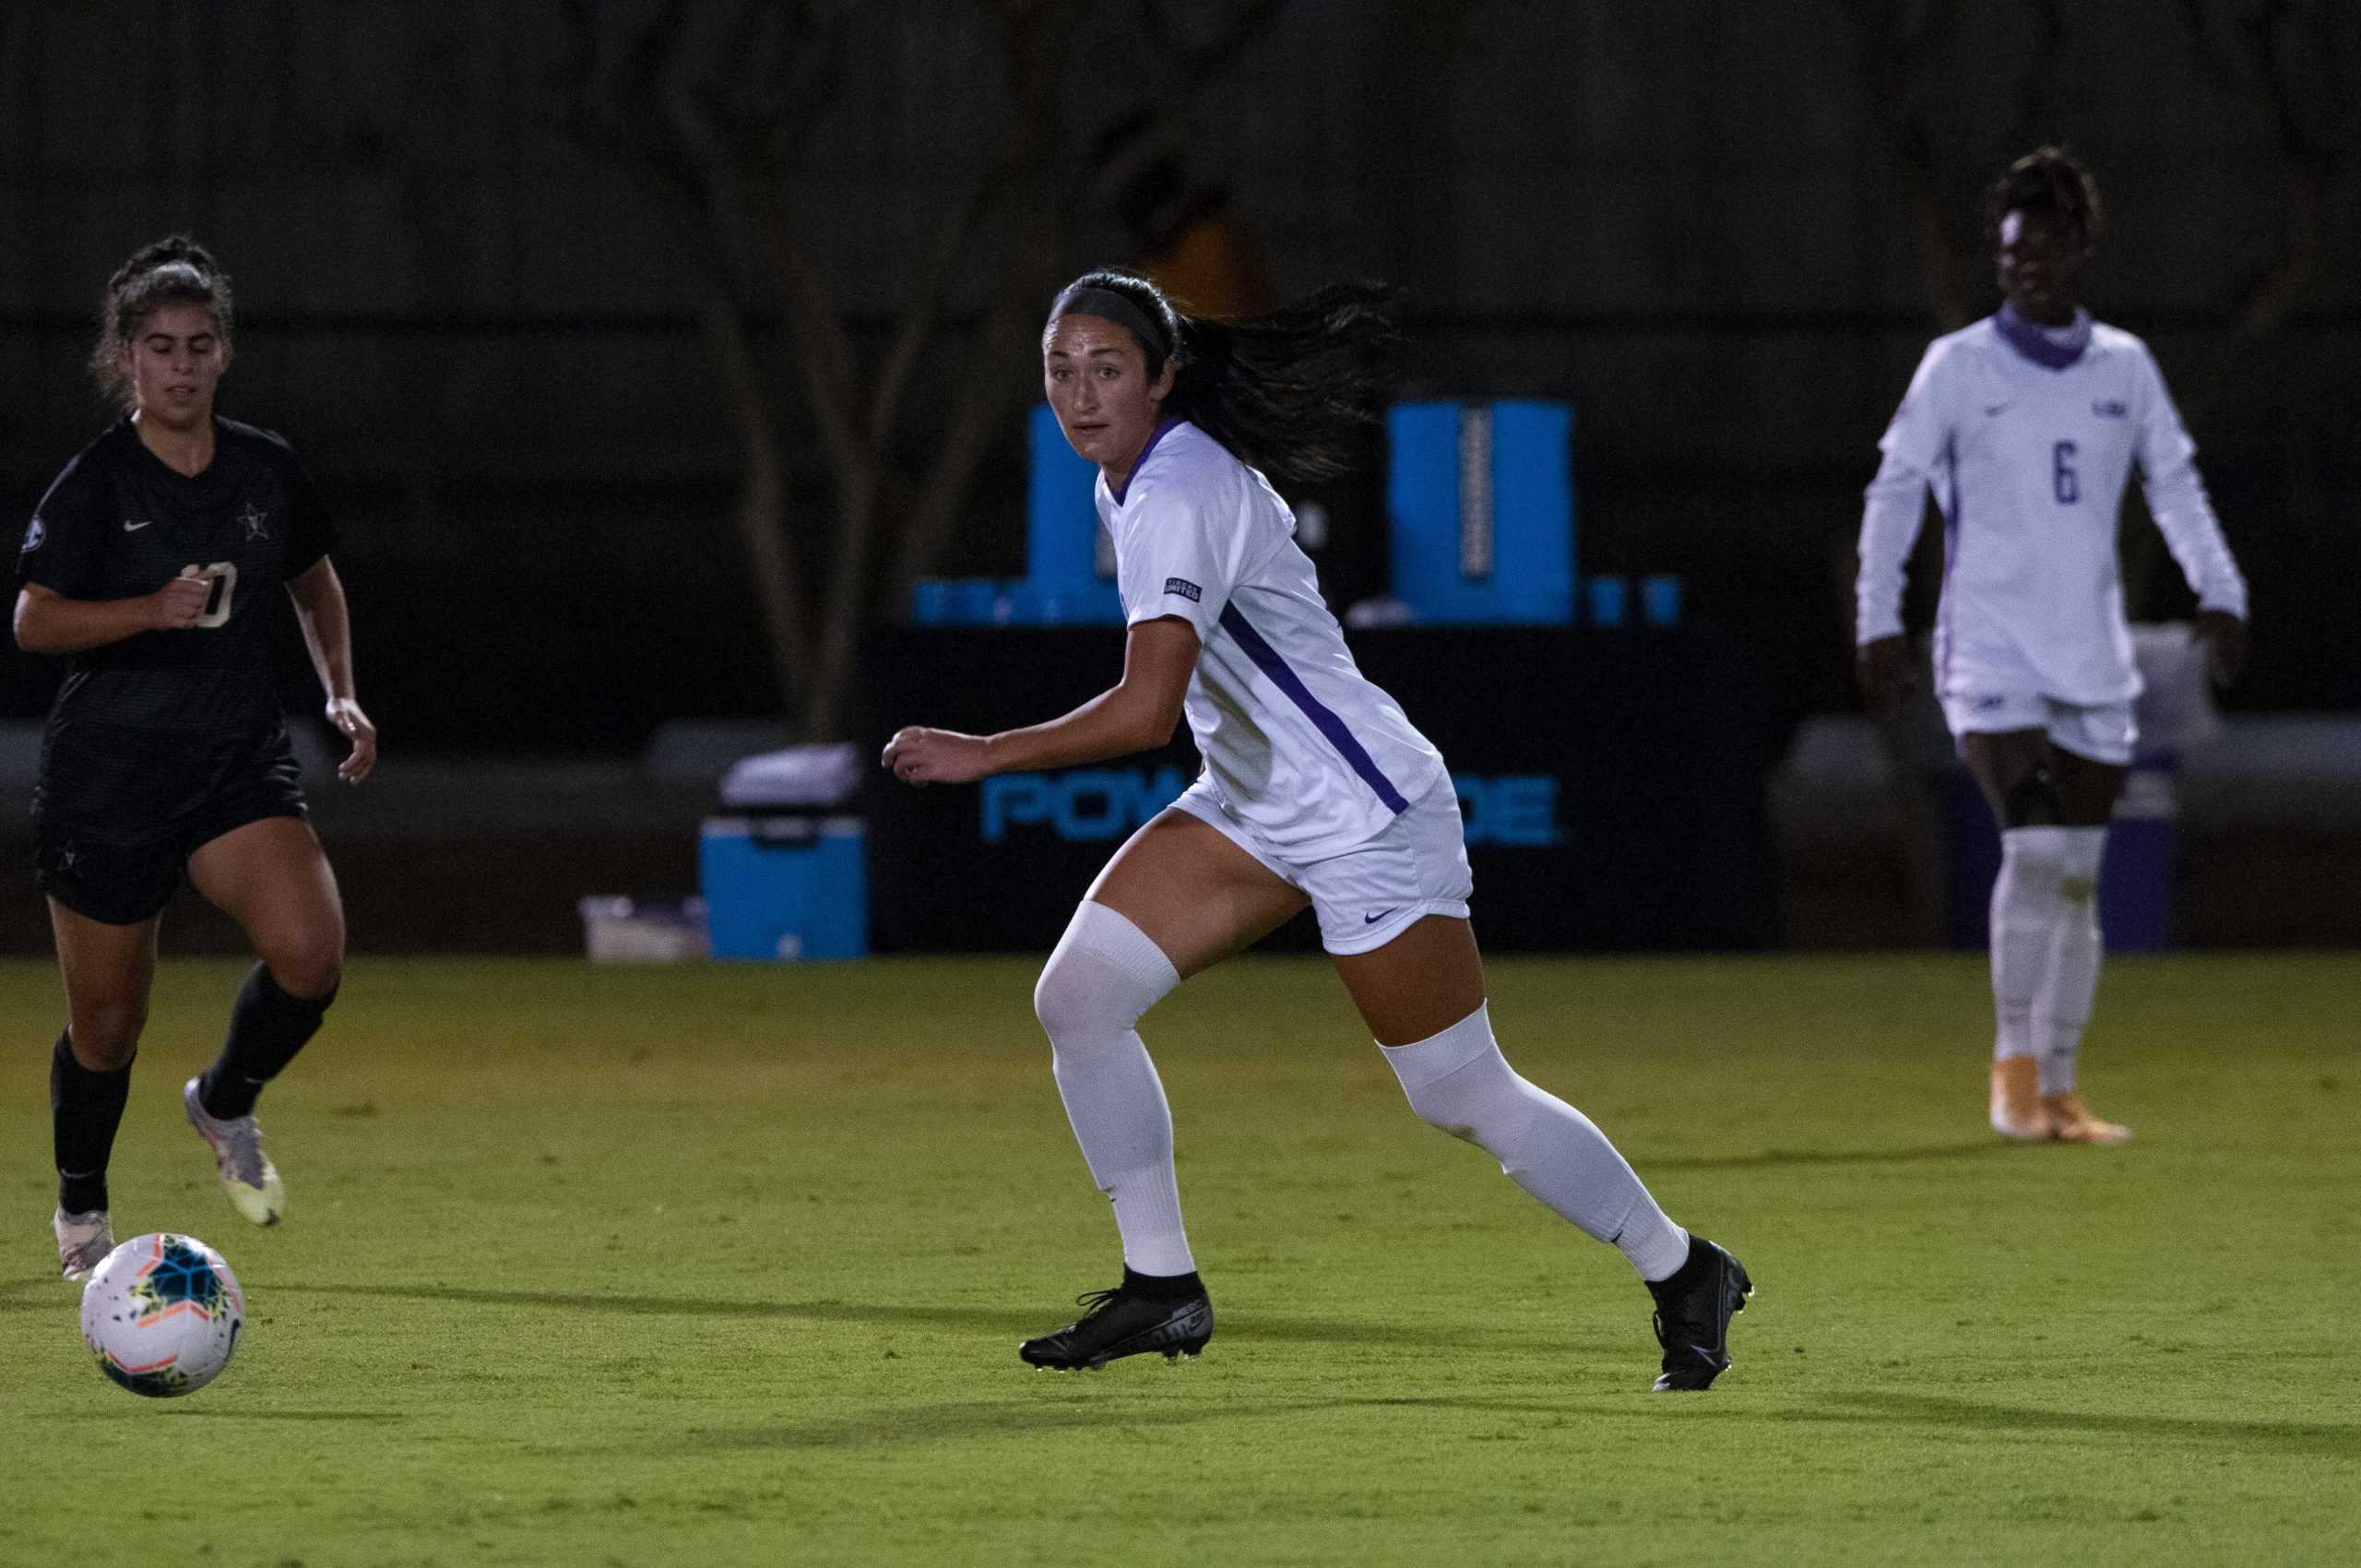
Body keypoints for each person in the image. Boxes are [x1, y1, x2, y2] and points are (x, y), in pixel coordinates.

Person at [884, 269, 1750, 1390]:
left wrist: (986, 749)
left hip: (1361, 814)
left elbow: (1147, 708)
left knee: (1458, 1091)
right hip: (1251, 804)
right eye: (1061, 369)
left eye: (1107, 368)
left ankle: (1682, 1267)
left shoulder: (1178, 486)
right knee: (1080, 999)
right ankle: (1163, 1289)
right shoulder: (1129, 479)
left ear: (1162, 377)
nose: (1082, 393)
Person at [1856, 148, 2248, 1145]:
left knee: (2077, 872)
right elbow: (1895, 490)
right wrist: (1877, 618)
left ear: (2078, 249)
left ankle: (2060, 1085)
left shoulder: (2123, 367)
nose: (2021, 269)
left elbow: (2175, 485)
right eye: (2007, 254)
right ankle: (2011, 1073)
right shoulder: (1957, 368)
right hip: (1989, 660)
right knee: (2030, 852)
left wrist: (2221, 590)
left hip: (2090, 662)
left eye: (2039, 250)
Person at [14, 236, 375, 1280]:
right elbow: (33, 621)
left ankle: (222, 1100)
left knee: (311, 953)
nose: (180, 364)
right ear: (125, 357)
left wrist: (339, 689)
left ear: (224, 354)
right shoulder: (94, 483)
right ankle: (82, 1211)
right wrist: (147, 608)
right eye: (159, 346)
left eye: (199, 344)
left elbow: (314, 578)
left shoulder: (266, 467)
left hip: (233, 763)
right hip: (108, 779)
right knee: (108, 1025)